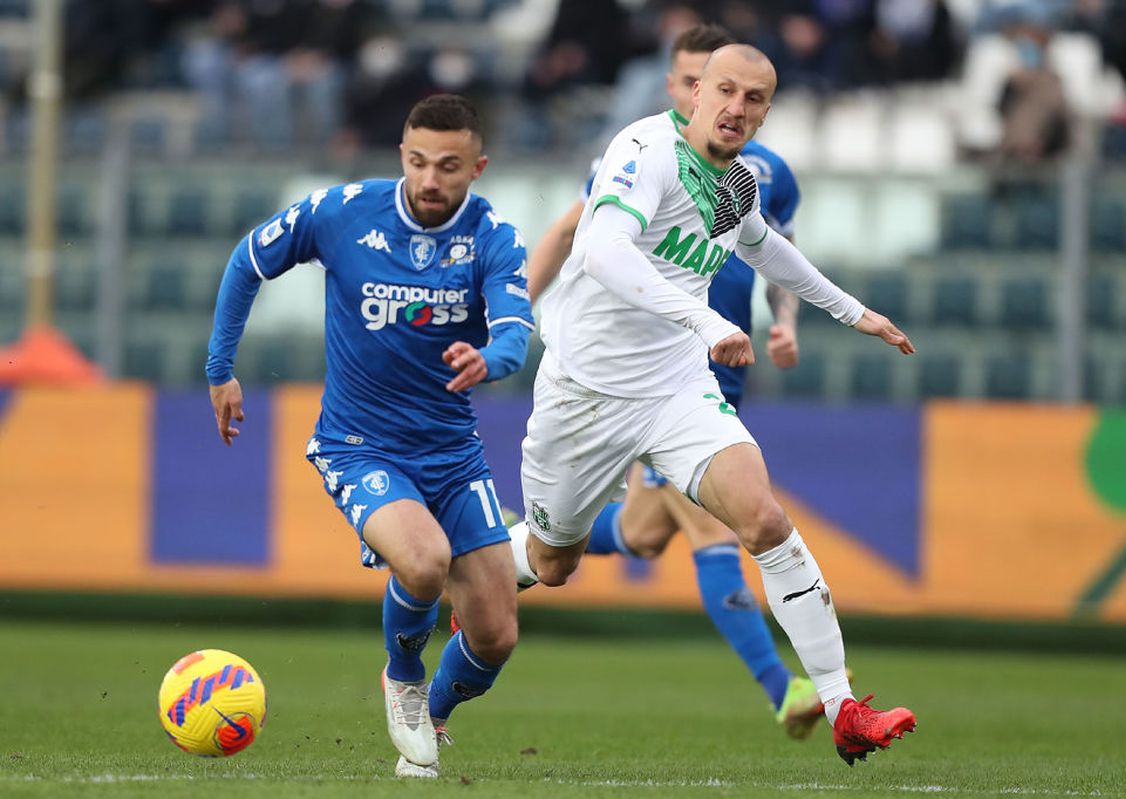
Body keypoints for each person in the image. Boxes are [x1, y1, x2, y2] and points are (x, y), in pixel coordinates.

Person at [510, 44, 917, 766]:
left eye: (755, 98)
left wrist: (855, 313)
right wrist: (708, 322)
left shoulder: (736, 181)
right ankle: (478, 559)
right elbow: (603, 250)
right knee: (552, 563)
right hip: (587, 390)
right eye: (725, 90)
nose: (737, 107)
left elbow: (768, 250)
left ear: (765, 111)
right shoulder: (644, 147)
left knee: (762, 517)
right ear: (695, 93)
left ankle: (841, 705)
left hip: (674, 385)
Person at [205, 94, 534, 779]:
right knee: (423, 561)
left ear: (477, 166)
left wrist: (490, 360)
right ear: (401, 158)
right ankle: (403, 675)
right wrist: (220, 368)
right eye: (417, 162)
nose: (430, 179)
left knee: (497, 635)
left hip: (452, 454)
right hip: (359, 444)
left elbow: (513, 331)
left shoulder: (495, 237)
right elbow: (247, 260)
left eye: (448, 166)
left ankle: (432, 717)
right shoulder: (342, 211)